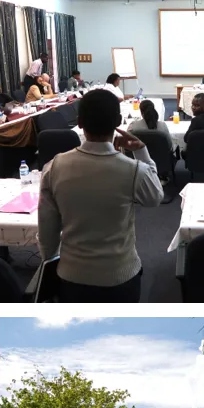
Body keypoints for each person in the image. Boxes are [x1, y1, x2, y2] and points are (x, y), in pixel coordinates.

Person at [37, 88, 163, 302]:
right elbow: (155, 197)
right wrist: (142, 151)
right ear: (118, 122)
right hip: (121, 276)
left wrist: (51, 259)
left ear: (79, 122)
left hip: (71, 275)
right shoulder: (133, 169)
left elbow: (47, 231)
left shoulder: (55, 166)